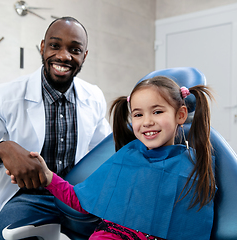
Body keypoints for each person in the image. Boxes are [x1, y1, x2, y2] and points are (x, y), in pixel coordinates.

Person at [0, 16, 111, 240]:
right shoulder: (5, 96)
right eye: (55, 45)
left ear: (84, 55)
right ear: (42, 47)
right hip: (25, 197)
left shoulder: (93, 96)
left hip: (74, 197)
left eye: (74, 49)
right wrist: (3, 149)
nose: (64, 56)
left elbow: (104, 151)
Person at [24, 76, 216, 240]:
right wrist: (48, 176)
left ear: (181, 115)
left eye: (157, 112)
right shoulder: (126, 158)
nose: (147, 121)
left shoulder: (192, 168)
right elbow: (82, 201)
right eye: (138, 114)